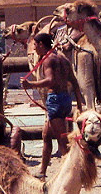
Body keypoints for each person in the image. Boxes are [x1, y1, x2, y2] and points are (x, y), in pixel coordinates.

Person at [21, 33, 84, 179]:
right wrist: (79, 105)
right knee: (46, 135)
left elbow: (50, 80)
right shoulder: (63, 58)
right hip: (65, 99)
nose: (35, 49)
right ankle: (42, 171)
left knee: (62, 142)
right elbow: (74, 82)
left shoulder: (48, 60)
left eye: (35, 46)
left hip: (55, 100)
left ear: (41, 45)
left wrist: (31, 84)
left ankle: (74, 174)